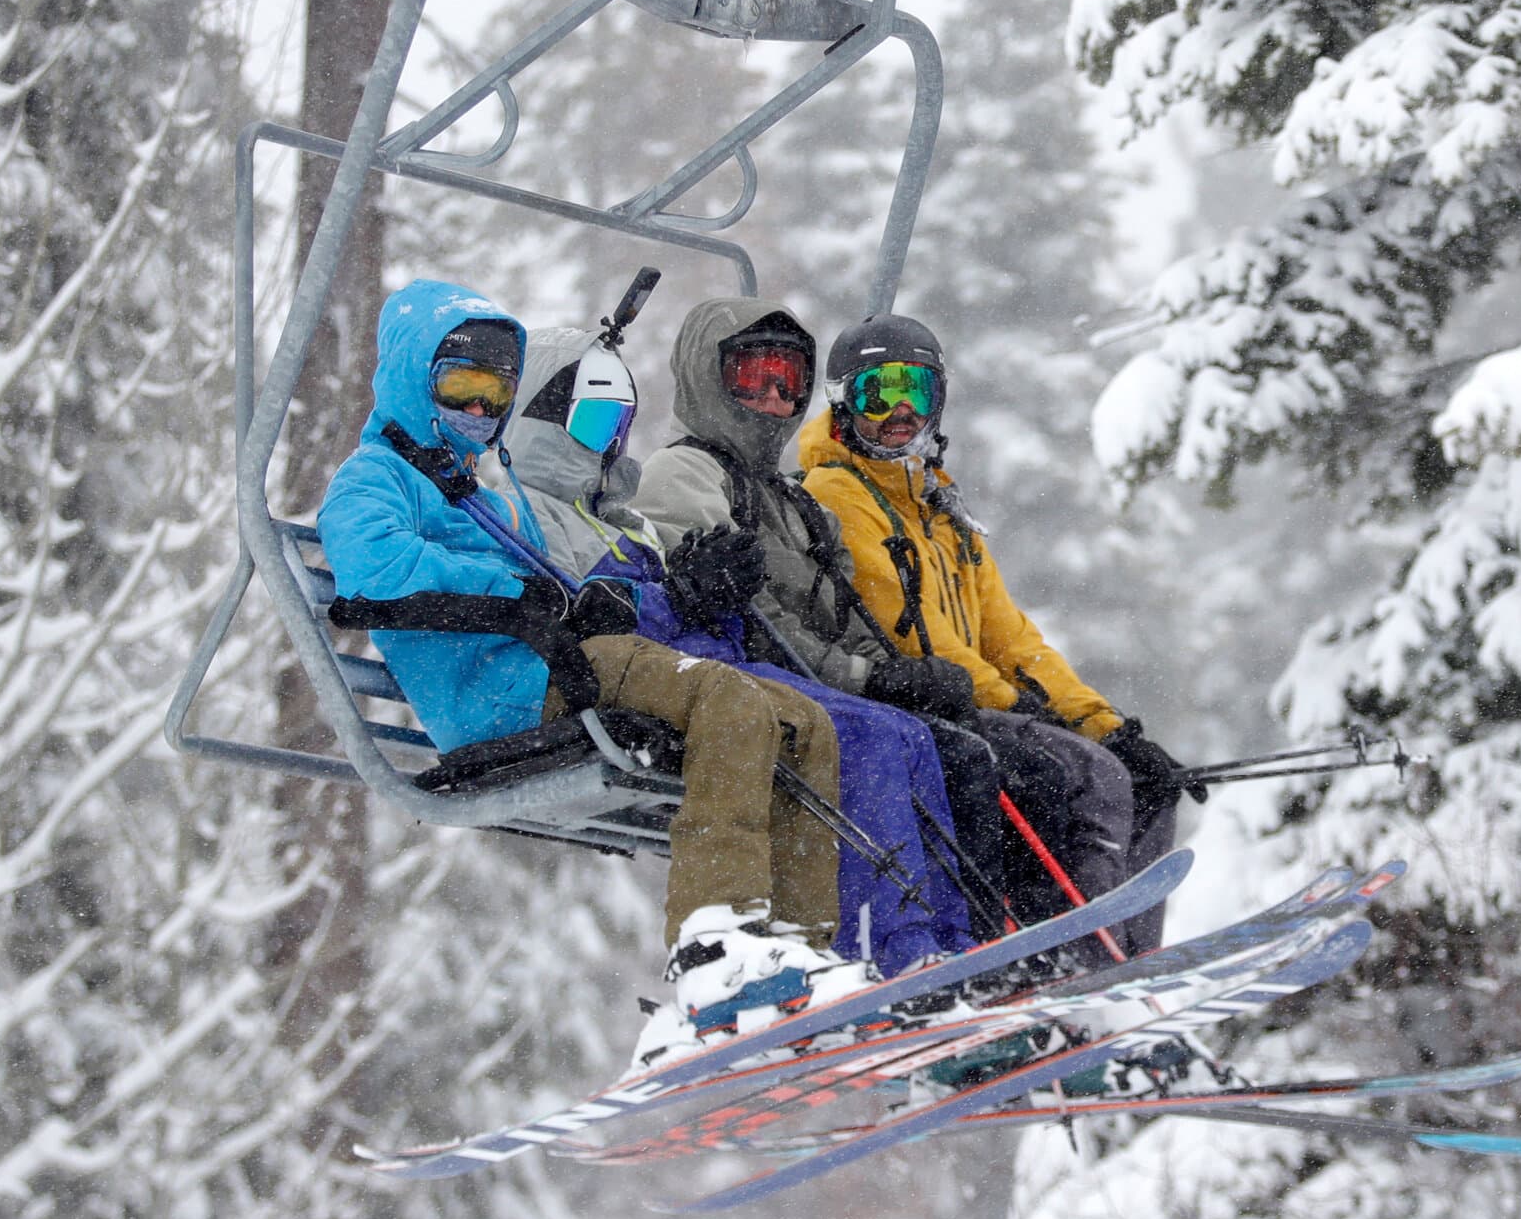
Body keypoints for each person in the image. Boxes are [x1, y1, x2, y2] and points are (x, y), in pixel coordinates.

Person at [315, 280, 848, 1032]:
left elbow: (565, 574)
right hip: (505, 691)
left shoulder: (483, 491)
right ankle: (713, 947)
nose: (477, 410)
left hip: (554, 663)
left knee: (800, 719)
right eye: (459, 387)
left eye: (494, 394)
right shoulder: (375, 480)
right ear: (411, 380)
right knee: (728, 701)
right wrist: (527, 594)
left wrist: (615, 597)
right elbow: (379, 572)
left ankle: (795, 952)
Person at [503, 322, 974, 995]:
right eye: (591, 417)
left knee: (910, 735)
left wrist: (696, 591)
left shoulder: (634, 513)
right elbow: (597, 614)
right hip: (640, 683)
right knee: (861, 734)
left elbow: (679, 606)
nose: (776, 398)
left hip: (705, 665)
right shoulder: (534, 506)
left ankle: (942, 947)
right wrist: (683, 596)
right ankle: (889, 952)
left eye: (618, 419)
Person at [798, 312, 1204, 955]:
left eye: (919, 392)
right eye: (881, 393)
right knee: (1087, 777)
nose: (902, 411)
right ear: (845, 404)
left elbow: (1013, 640)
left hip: (976, 700)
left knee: (1142, 779)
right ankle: (1076, 963)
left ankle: (1132, 961)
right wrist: (1028, 712)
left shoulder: (937, 504)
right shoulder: (835, 492)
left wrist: (1102, 723)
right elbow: (919, 641)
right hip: (919, 702)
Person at [633, 298, 1024, 928]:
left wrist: (899, 674)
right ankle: (896, 942)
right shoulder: (685, 473)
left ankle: (969, 940)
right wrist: (868, 680)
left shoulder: (794, 503)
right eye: (751, 377)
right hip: (750, 681)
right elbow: (750, 622)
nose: (772, 398)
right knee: (896, 747)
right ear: (709, 378)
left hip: (809, 680)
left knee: (959, 751)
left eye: (788, 380)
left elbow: (844, 615)